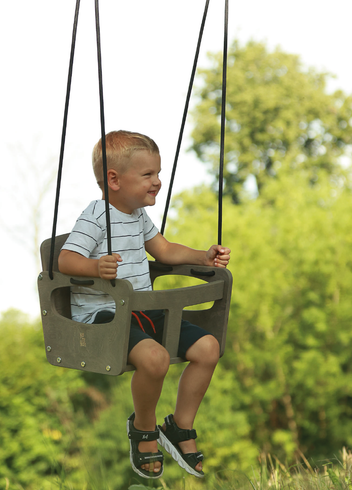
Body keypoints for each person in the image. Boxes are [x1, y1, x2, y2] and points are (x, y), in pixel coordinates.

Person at [58, 130, 231, 479]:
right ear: (114, 179)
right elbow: (65, 259)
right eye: (148, 175)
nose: (157, 182)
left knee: (208, 348)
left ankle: (179, 425)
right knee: (155, 359)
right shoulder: (95, 216)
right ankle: (144, 427)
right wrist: (95, 267)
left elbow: (164, 250)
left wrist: (203, 255)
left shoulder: (137, 215)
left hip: (145, 310)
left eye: (158, 173)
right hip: (105, 313)